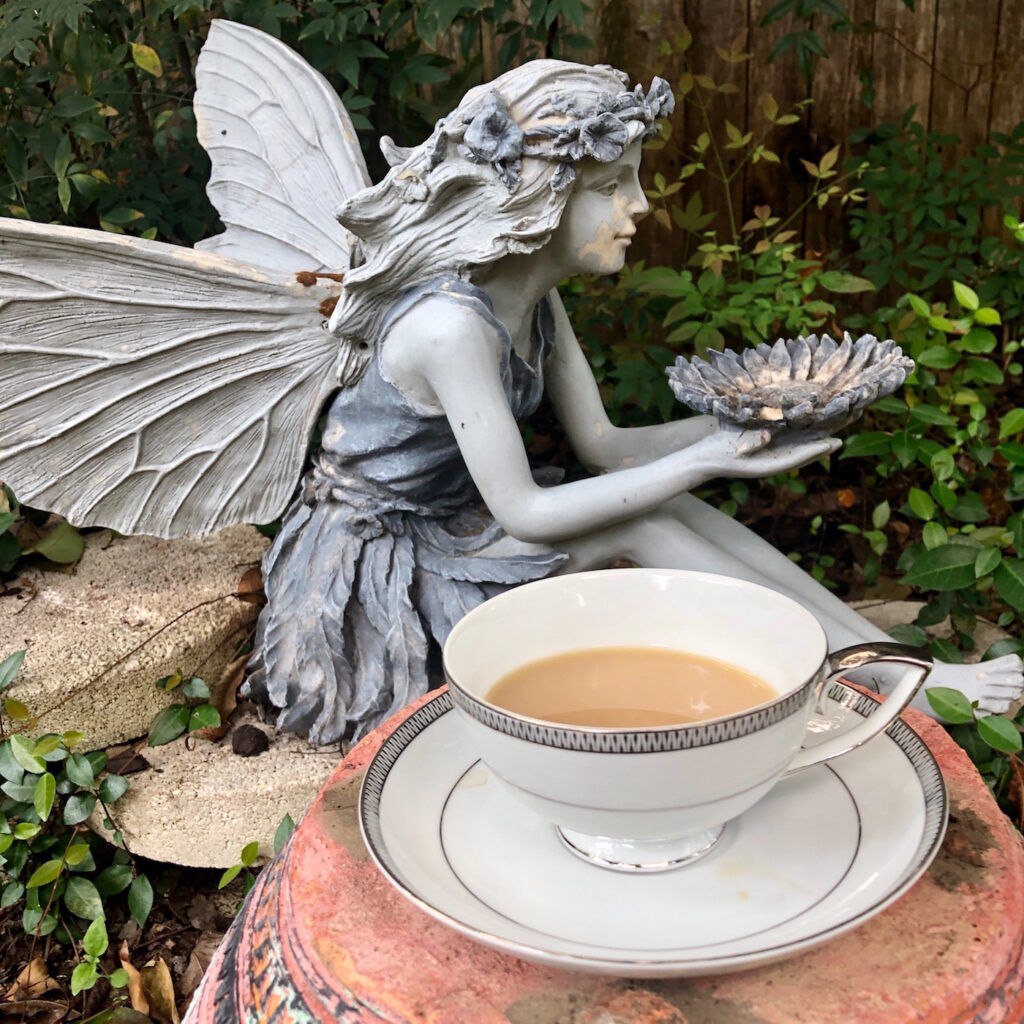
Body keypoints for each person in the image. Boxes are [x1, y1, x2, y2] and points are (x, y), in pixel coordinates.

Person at [1, 23, 1019, 745]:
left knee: (683, 518)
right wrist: (705, 461)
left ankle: (888, 665)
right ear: (540, 197)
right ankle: (911, 692)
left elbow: (609, 448)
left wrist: (731, 436)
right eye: (612, 186)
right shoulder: (450, 325)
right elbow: (529, 512)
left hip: (451, 529)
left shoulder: (531, 298)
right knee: (660, 527)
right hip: (378, 574)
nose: (640, 207)